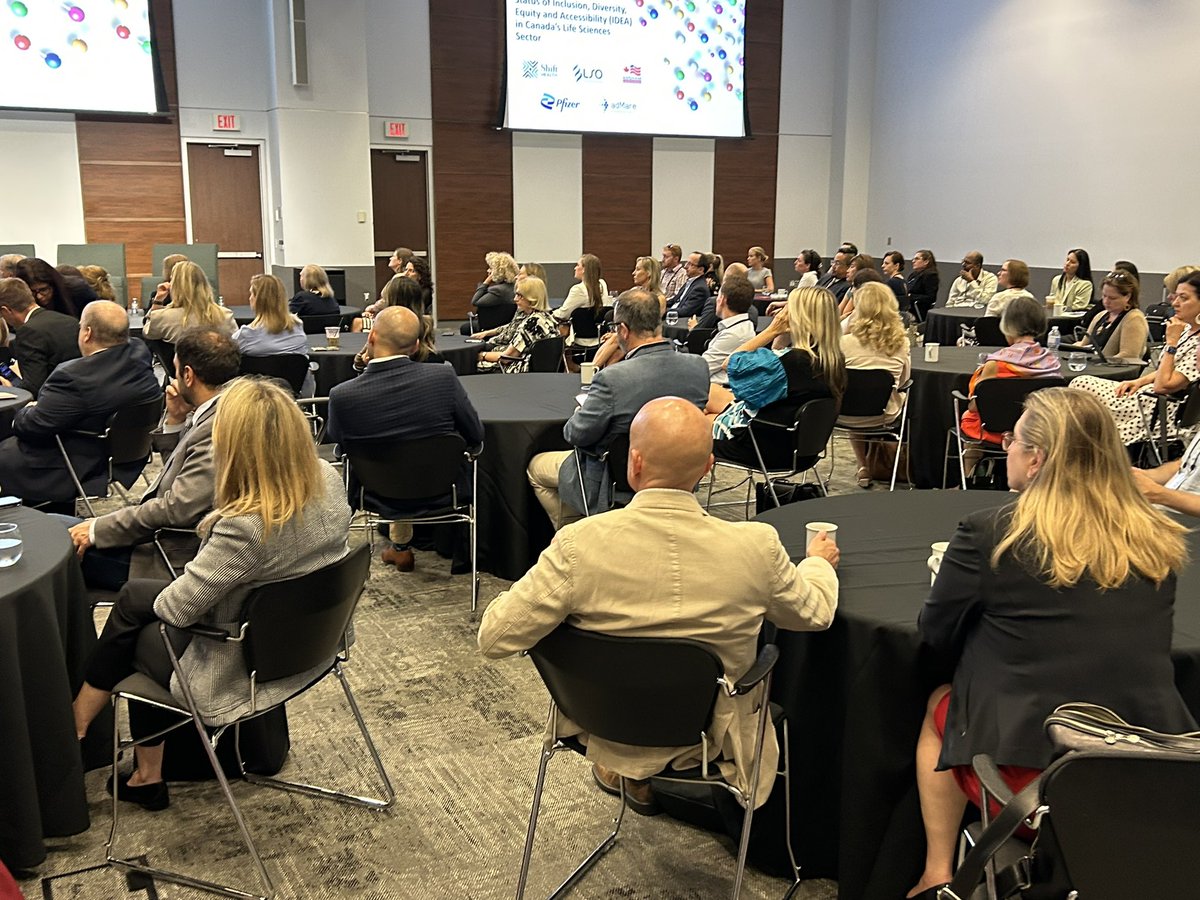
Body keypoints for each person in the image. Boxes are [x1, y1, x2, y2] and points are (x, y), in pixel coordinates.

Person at [482, 397, 840, 811]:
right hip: (709, 738)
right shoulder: (756, 546)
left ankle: (630, 770)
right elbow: (815, 614)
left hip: (601, 723)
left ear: (634, 463)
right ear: (708, 468)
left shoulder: (579, 545)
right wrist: (817, 565)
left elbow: (494, 638)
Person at [907, 387, 1195, 899]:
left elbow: (935, 635)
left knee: (939, 704)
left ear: (1036, 459)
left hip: (1035, 783)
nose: (1005, 447)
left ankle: (938, 875)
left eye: (1012, 439)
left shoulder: (992, 533)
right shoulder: (1159, 538)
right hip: (1150, 772)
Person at [70, 378, 352, 810]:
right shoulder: (328, 481)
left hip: (241, 661)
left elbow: (178, 610)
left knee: (138, 622)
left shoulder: (246, 525)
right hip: (312, 642)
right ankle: (90, 727)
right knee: (135, 602)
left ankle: (122, 756)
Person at [69, 328, 239, 589]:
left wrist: (97, 529)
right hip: (158, 533)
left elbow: (177, 508)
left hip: (166, 556)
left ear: (188, 375)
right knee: (61, 530)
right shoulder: (220, 409)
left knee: (53, 542)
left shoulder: (218, 426)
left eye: (175, 369)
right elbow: (186, 478)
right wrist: (175, 422)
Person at [526, 288, 709, 527]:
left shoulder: (613, 379)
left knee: (536, 468)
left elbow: (575, 434)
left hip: (614, 481)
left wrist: (580, 412)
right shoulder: (698, 368)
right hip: (681, 478)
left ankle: (577, 532)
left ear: (622, 330)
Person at [328, 306, 483, 571]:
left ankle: (400, 548)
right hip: (445, 490)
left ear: (372, 337)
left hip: (375, 494)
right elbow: (475, 435)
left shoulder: (342, 396)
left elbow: (340, 446)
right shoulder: (443, 376)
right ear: (416, 346)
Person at [0, 301, 160, 505]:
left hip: (80, 462)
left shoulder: (72, 377)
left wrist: (27, 409)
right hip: (128, 455)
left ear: (87, 333)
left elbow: (30, 427)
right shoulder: (139, 353)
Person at [708, 285, 846, 469]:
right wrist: (783, 335)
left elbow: (731, 363)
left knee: (690, 422)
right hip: (799, 447)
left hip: (761, 448)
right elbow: (776, 361)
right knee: (710, 392)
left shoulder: (792, 361)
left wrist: (772, 330)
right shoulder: (832, 360)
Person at [1072, 270, 1200, 446]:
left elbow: (1163, 385)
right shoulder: (1186, 330)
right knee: (1079, 385)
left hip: (1161, 409)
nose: (1175, 303)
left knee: (1080, 388)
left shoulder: (1191, 340)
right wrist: (1139, 382)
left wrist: (1171, 343)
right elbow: (1168, 369)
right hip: (1149, 394)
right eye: (1175, 296)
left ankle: (1083, 446)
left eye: (1183, 298)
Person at [959, 297, 1061, 447]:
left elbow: (975, 406)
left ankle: (970, 469)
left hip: (996, 431)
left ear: (1007, 325)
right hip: (1038, 431)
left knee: (969, 417)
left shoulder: (996, 364)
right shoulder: (1052, 362)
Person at [840, 282, 912, 488]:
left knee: (855, 397)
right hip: (884, 415)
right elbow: (904, 381)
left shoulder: (843, 343)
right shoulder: (902, 344)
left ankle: (863, 465)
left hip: (843, 414)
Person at [0, 276, 82, 395]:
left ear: (6, 310)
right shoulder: (69, 320)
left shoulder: (28, 331)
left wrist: (10, 385)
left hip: (53, 401)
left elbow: (33, 388)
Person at [236, 273, 314, 395]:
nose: (249, 298)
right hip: (290, 399)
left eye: (252, 293)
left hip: (251, 399)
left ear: (259, 299)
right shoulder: (298, 328)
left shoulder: (245, 335)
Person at [475, 274, 558, 374]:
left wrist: (481, 355)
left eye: (519, 295)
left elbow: (507, 357)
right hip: (542, 371)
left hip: (520, 370)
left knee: (470, 364)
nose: (515, 299)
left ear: (531, 298)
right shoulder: (548, 318)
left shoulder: (531, 324)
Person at [1066, 270, 1148, 364]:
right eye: (1104, 296)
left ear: (1128, 297)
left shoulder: (1134, 319)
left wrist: (1100, 363)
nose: (1106, 301)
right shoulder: (1101, 315)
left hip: (1113, 372)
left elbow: (1129, 356)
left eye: (1112, 298)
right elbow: (1084, 344)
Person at [144, 261, 236, 343]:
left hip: (176, 362)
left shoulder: (162, 318)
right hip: (215, 362)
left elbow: (148, 333)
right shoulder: (225, 315)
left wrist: (157, 301)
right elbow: (235, 343)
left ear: (175, 286)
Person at [702, 275, 757, 385]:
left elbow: (702, 369)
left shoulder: (734, 334)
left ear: (722, 299)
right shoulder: (742, 326)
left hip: (717, 390)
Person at [554, 253, 610, 351]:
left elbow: (563, 314)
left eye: (577, 265)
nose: (575, 268)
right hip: (600, 337)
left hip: (581, 340)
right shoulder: (602, 284)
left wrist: (550, 313)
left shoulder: (578, 289)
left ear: (584, 270)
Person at [461, 251, 518, 334]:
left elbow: (475, 301)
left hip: (491, 327)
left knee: (465, 328)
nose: (488, 270)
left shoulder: (498, 291)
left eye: (491, 268)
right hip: (507, 325)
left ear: (498, 271)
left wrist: (486, 281)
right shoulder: (515, 286)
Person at [15, 257, 82, 318]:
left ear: (53, 284)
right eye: (32, 292)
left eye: (43, 290)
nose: (39, 296)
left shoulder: (77, 289)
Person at [664, 251, 712, 320]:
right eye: (687, 263)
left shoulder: (700, 289)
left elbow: (686, 311)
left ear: (700, 269)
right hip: (673, 314)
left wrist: (663, 311)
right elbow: (674, 300)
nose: (685, 266)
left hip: (680, 321)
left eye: (690, 264)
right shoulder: (690, 282)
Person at [906, 249, 940, 321]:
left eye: (917, 259)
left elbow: (931, 297)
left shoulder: (930, 276)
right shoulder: (913, 275)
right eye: (913, 259)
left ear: (926, 262)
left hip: (919, 308)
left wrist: (911, 296)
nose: (913, 261)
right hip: (908, 306)